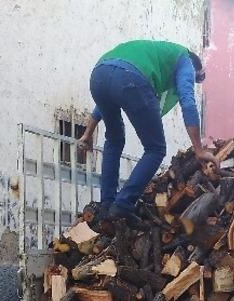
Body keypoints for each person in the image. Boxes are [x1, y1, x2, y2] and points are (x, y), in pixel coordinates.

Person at [77, 40, 215, 224]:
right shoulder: (186, 61)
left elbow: (112, 84)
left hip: (99, 75)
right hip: (131, 80)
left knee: (114, 139)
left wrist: (88, 133)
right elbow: (187, 101)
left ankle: (106, 204)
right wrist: (198, 149)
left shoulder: (157, 53)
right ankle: (123, 205)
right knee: (155, 149)